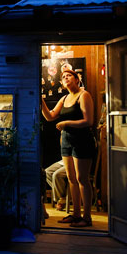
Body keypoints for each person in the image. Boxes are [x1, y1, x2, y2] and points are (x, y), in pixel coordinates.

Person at [41, 68, 95, 227]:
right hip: (66, 141)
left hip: (82, 140)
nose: (65, 78)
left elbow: (88, 121)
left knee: (82, 179)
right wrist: (40, 100)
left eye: (68, 75)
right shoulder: (64, 98)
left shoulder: (83, 95)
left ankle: (87, 217)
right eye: (63, 77)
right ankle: (76, 214)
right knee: (71, 179)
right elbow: (50, 116)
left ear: (77, 79)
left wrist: (66, 123)